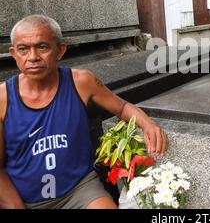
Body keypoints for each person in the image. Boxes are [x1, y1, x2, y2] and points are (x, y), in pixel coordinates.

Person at [0, 15, 169, 209]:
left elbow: (121, 107)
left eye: (42, 47)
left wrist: (148, 124)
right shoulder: (3, 98)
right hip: (25, 199)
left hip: (79, 190)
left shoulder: (81, 82)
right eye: (23, 49)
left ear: (60, 50)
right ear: (13, 53)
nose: (32, 57)